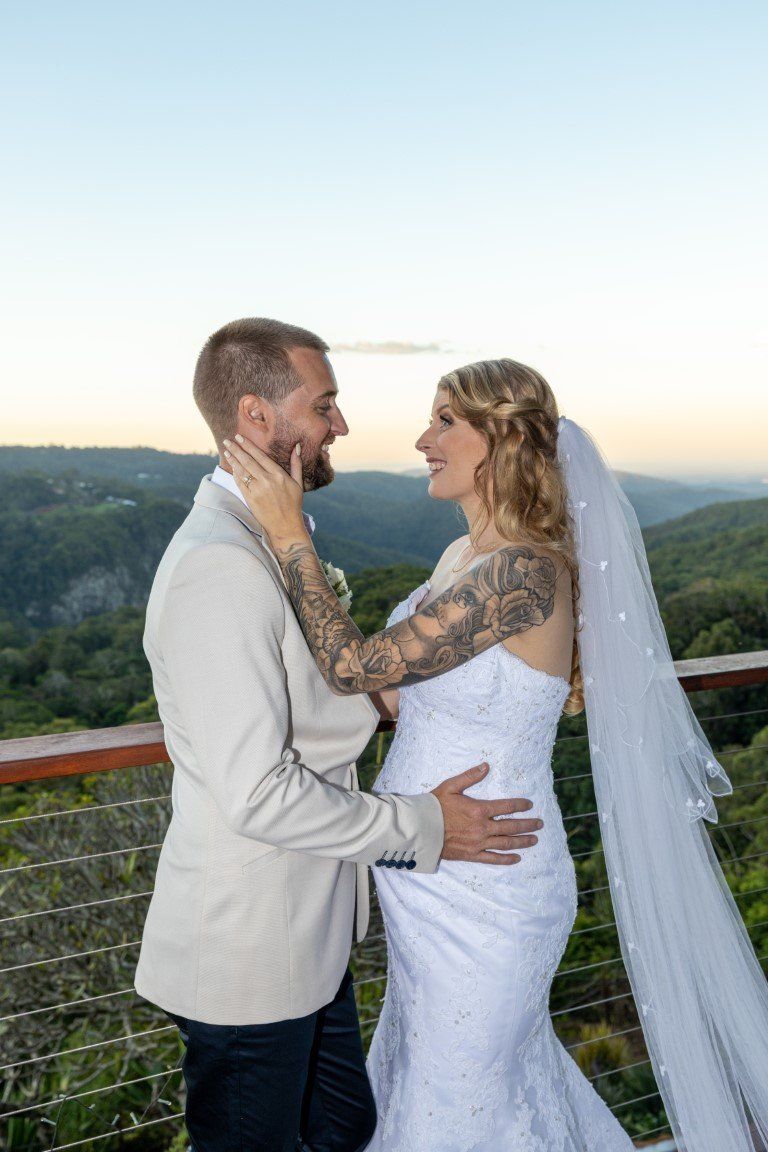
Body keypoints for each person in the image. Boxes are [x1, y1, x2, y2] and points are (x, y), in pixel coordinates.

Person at [225, 355, 768, 1152]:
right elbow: (392, 695)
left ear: (502, 439)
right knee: (459, 1087)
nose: (423, 439)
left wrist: (286, 532)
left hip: (490, 888)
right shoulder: (463, 560)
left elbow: (355, 666)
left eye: (445, 420)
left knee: (465, 1100)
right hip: (429, 880)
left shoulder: (525, 574)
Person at [134, 322, 543, 1152]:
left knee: (345, 1128)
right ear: (256, 416)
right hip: (249, 951)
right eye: (324, 405)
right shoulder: (221, 564)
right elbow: (256, 791)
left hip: (309, 937)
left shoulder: (270, 541)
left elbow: (322, 690)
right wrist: (422, 825)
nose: (342, 426)